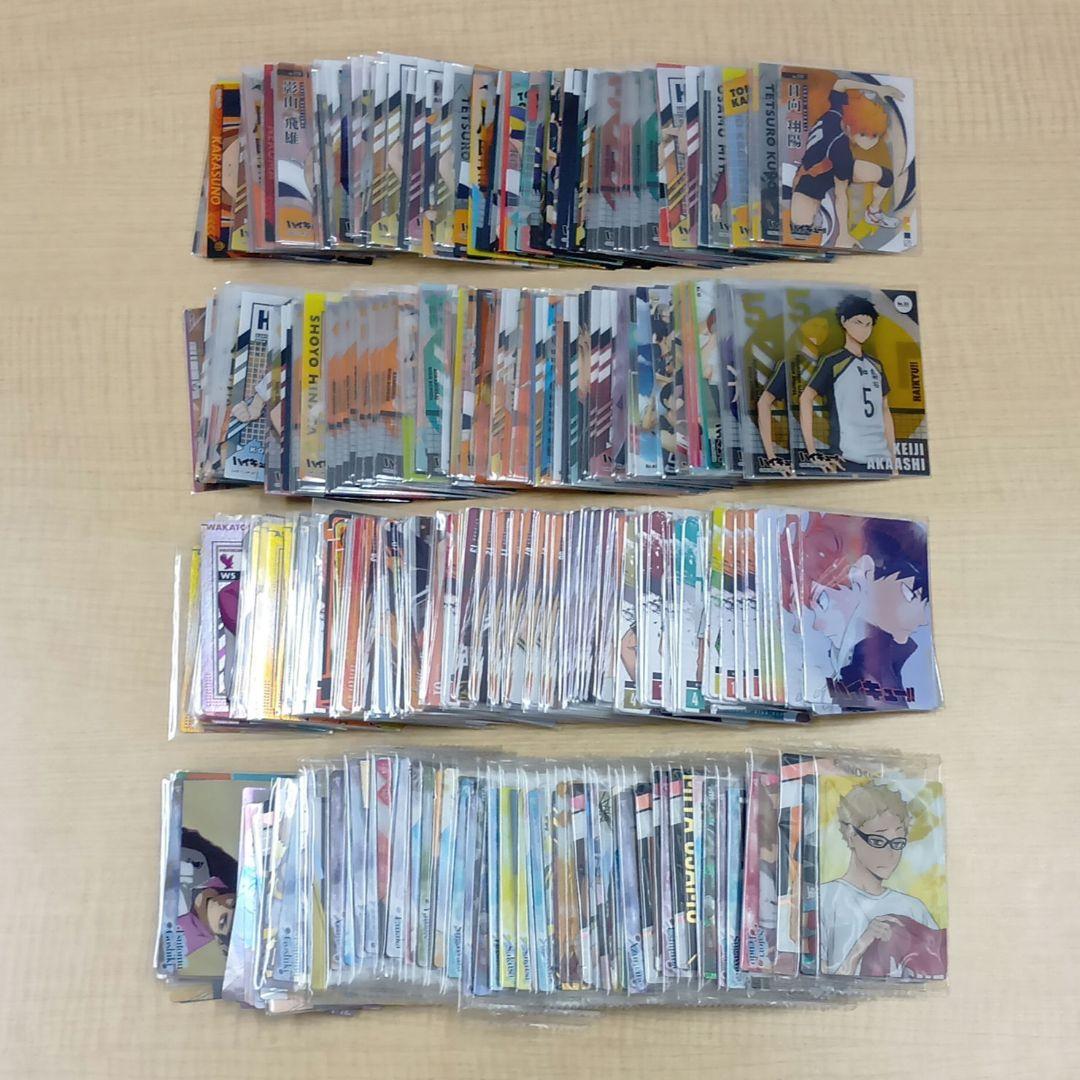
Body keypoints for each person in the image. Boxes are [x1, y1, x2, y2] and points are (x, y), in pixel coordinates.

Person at [793, 514, 931, 708]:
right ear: (867, 571)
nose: (923, 619)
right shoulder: (859, 656)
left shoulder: (879, 667)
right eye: (910, 595)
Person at [819, 782, 944, 978]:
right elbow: (815, 984)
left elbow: (934, 976)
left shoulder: (914, 909)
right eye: (878, 841)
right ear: (851, 836)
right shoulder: (822, 899)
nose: (890, 853)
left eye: (897, 843)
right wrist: (863, 944)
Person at [790, 78, 905, 248]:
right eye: (864, 134)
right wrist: (843, 234)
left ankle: (873, 213)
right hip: (812, 178)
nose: (871, 142)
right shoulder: (839, 148)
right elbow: (841, 195)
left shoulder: (837, 112)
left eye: (875, 136)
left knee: (886, 177)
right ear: (850, 128)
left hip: (836, 165)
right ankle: (812, 212)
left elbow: (840, 84)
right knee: (801, 230)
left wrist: (877, 88)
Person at [798, 295, 898, 474]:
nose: (863, 330)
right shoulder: (833, 362)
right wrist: (812, 452)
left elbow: (885, 409)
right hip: (848, 458)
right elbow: (806, 398)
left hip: (880, 459)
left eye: (868, 325)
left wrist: (894, 459)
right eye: (858, 323)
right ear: (844, 322)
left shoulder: (876, 365)